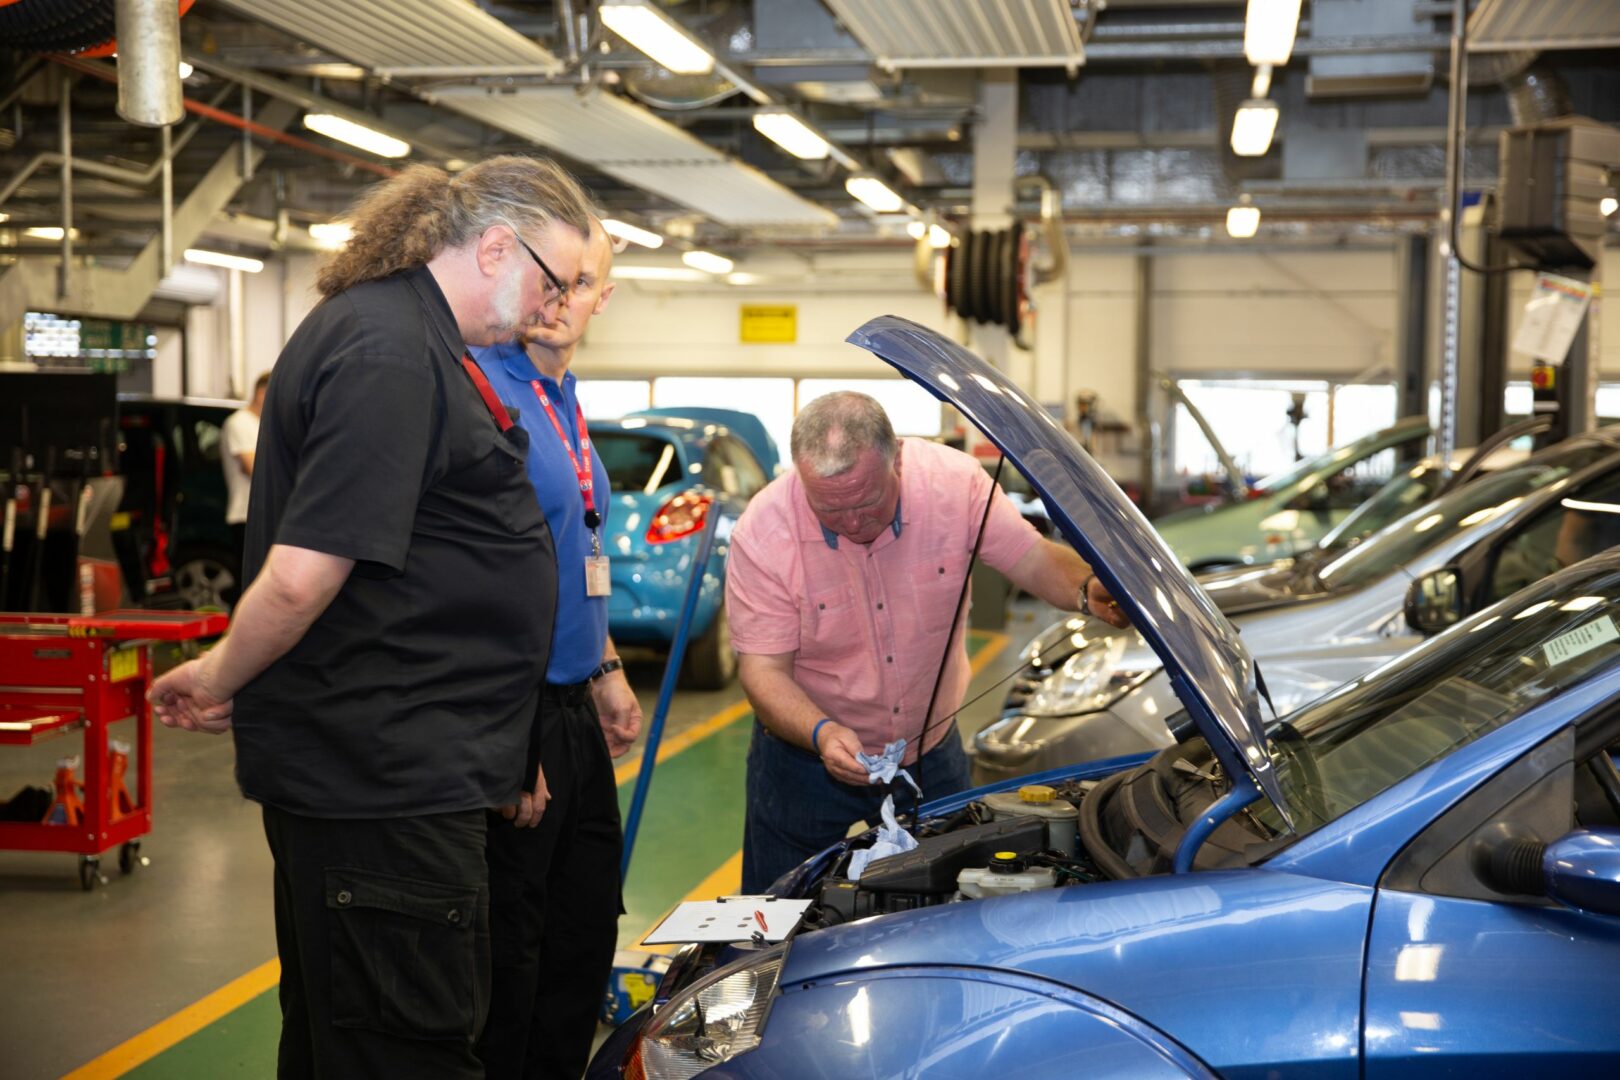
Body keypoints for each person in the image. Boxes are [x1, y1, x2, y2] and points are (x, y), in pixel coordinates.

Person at [148, 156, 594, 1078]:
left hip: (410, 760)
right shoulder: (392, 351)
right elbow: (305, 575)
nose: (555, 305)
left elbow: (426, 573)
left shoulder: (419, 342)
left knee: (346, 1042)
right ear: (496, 247)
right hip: (385, 779)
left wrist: (504, 753)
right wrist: (223, 675)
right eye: (552, 280)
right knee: (405, 1048)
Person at [726, 392, 1129, 892]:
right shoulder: (764, 533)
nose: (853, 524)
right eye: (830, 509)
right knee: (777, 911)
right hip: (804, 758)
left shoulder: (954, 486)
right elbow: (763, 670)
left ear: (897, 456)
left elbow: (1032, 557)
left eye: (867, 502)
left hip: (930, 750)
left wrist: (1086, 591)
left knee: (952, 900)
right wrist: (822, 733)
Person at [468, 219, 641, 1079]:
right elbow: (471, 582)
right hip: (514, 705)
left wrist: (605, 668)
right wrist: (505, 737)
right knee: (514, 948)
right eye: (552, 280)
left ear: (601, 298)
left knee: (584, 928)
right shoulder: (482, 389)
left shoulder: (563, 400)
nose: (558, 300)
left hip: (573, 704)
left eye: (581, 286)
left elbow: (577, 558)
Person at [222, 371, 269, 558]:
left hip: (263, 513)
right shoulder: (239, 423)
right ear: (261, 393)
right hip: (245, 514)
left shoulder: (262, 424)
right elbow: (252, 468)